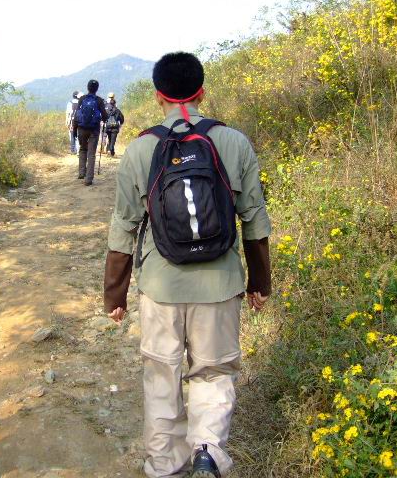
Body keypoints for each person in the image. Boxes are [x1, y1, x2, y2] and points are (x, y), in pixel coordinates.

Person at [103, 52, 271, 478]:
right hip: (220, 284)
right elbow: (254, 219)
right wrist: (260, 282)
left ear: (158, 96)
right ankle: (207, 453)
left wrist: (115, 294)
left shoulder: (141, 148)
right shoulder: (233, 142)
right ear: (201, 92)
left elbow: (124, 224)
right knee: (214, 372)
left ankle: (164, 464)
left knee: (162, 374)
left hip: (161, 287)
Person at [73, 79, 108, 186]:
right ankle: (88, 179)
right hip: (94, 129)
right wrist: (104, 119)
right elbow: (105, 115)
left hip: (81, 128)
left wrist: (74, 129)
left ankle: (81, 173)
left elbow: (77, 115)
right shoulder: (99, 100)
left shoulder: (82, 99)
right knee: (91, 153)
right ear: (97, 89)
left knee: (83, 149)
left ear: (88, 88)